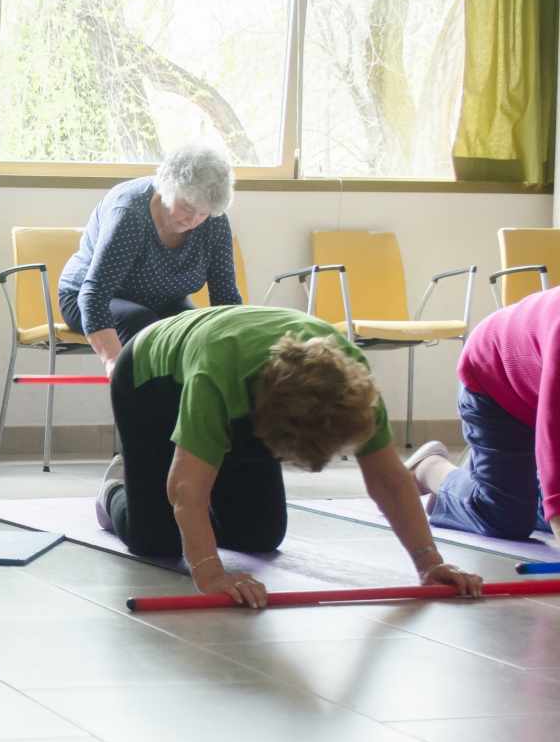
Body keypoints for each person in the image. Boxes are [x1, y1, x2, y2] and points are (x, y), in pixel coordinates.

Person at [96, 305, 484, 607]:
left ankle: (205, 461)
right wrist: (210, 573)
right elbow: (184, 490)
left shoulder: (351, 380)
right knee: (158, 540)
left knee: (259, 535)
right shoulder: (216, 375)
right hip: (150, 378)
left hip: (247, 375)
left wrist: (429, 563)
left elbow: (389, 479)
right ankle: (116, 489)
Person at [58, 144, 241, 377]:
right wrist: (114, 363)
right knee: (144, 325)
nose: (193, 220)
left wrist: (239, 353)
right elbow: (95, 295)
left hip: (163, 300)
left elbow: (226, 298)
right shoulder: (130, 212)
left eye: (203, 213)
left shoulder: (214, 222)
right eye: (186, 207)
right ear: (166, 188)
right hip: (86, 297)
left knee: (192, 330)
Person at [408, 287, 560, 545]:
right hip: (493, 377)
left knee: (527, 504)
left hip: (532, 378)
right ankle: (429, 469)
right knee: (505, 515)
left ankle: (499, 479)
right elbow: (552, 438)